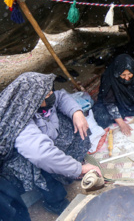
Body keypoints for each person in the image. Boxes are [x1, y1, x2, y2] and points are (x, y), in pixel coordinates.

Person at [0, 72, 102, 221]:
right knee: (42, 171)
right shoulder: (19, 123)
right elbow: (42, 155)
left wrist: (77, 112)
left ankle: (69, 168)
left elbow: (60, 96)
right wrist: (79, 169)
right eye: (46, 95)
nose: (51, 95)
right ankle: (55, 202)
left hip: (45, 142)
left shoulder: (42, 101)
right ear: (32, 100)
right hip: (23, 160)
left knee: (76, 128)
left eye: (50, 91)